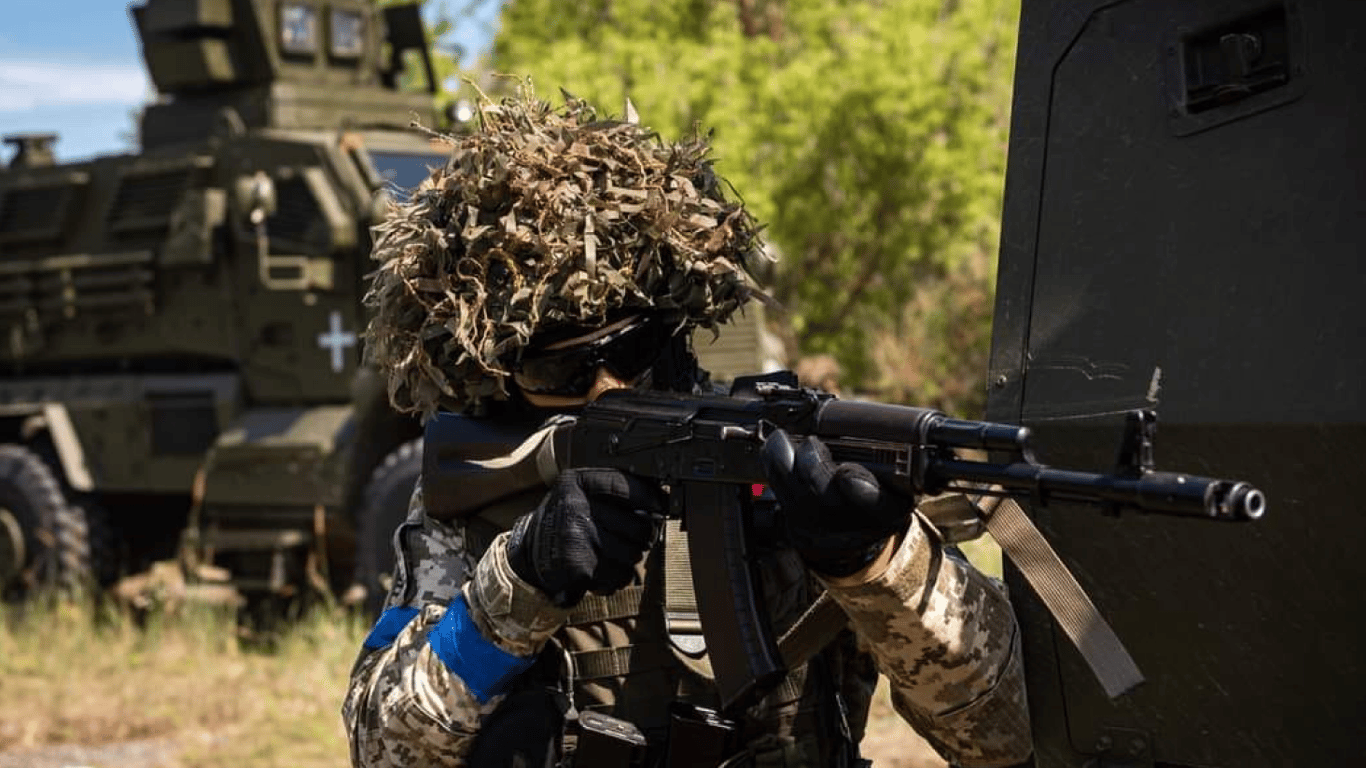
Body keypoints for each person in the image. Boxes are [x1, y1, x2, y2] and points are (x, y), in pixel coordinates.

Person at [343, 88, 1031, 768]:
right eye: (563, 376)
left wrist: (882, 566)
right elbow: (382, 748)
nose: (608, 390)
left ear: (676, 330)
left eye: (633, 352)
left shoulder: (795, 463)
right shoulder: (488, 502)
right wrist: (523, 580)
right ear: (505, 378)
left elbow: (1014, 735)